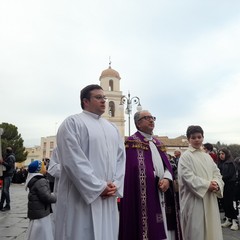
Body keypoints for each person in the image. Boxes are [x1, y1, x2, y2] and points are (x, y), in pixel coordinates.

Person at [54, 84, 126, 240]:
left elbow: (121, 159)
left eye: (104, 98)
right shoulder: (72, 123)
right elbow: (73, 161)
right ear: (85, 101)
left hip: (108, 197)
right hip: (80, 198)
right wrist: (98, 187)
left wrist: (115, 184)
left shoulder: (112, 128)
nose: (103, 101)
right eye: (98, 97)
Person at [119, 110, 182, 240]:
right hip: (146, 191)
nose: (151, 120)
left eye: (152, 117)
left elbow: (167, 166)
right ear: (138, 124)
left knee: (165, 222)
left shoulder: (159, 143)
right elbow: (135, 168)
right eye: (147, 118)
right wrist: (158, 179)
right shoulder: (132, 143)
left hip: (163, 189)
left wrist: (167, 178)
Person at [178, 125, 224, 240]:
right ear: (189, 139)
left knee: (212, 231)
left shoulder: (207, 157)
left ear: (203, 137)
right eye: (193, 137)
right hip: (194, 200)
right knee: (196, 232)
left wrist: (216, 184)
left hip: (210, 199)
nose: (197, 140)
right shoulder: (185, 157)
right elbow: (187, 177)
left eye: (199, 137)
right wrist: (207, 185)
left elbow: (217, 173)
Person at [25, 160, 56, 240]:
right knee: (42, 230)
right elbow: (46, 197)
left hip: (36, 211)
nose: (46, 167)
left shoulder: (34, 180)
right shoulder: (41, 181)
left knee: (34, 229)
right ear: (40, 169)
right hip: (41, 212)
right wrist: (55, 197)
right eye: (44, 166)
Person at [217, 148, 238, 230]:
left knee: (229, 204)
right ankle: (228, 219)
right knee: (224, 203)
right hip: (223, 185)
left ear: (226, 154)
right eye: (220, 154)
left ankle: (235, 221)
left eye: (222, 154)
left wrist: (221, 178)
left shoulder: (231, 163)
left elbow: (229, 174)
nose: (221, 155)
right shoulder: (220, 163)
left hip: (230, 185)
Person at [0, 147, 16, 211]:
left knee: (5, 191)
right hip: (6, 175)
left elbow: (9, 165)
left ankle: (7, 205)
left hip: (8, 175)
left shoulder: (11, 157)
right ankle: (1, 204)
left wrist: (2, 162)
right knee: (4, 191)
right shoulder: (10, 156)